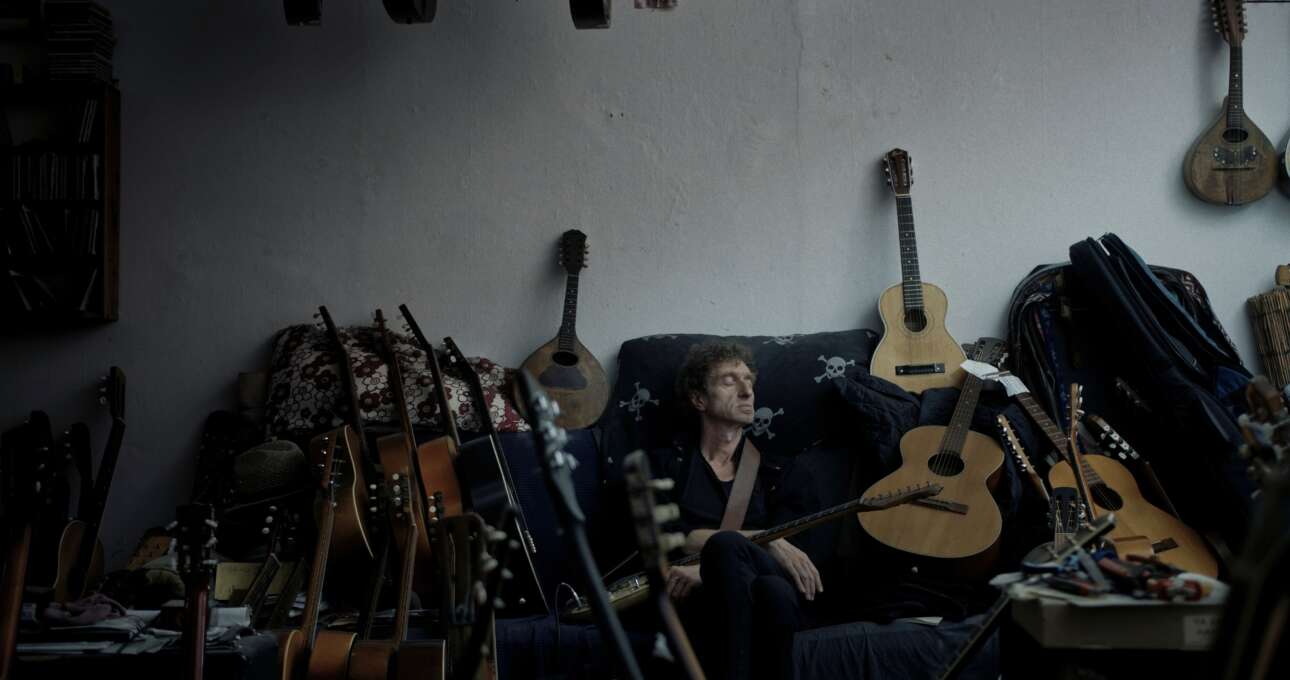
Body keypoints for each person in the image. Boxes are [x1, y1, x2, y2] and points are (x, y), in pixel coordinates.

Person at [649, 340, 821, 680]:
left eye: (749, 381)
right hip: (696, 600)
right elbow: (668, 538)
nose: (747, 391)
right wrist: (766, 538)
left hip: (764, 582)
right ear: (699, 399)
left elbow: (796, 554)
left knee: (742, 559)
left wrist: (710, 567)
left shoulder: (782, 473)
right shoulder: (665, 467)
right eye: (730, 381)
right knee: (768, 591)